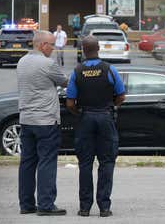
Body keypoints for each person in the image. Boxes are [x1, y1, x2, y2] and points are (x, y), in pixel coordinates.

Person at [66, 36, 125, 218]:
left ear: (83, 49)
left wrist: (80, 113)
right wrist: (111, 106)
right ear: (98, 48)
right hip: (105, 117)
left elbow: (69, 103)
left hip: (86, 118)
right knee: (107, 162)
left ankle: (84, 208)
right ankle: (104, 207)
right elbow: (121, 95)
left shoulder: (77, 71)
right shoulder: (109, 69)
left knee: (85, 164)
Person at [16, 30, 68, 216]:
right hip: (45, 120)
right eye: (51, 44)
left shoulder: (22, 62)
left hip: (26, 119)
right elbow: (65, 82)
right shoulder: (48, 63)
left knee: (27, 162)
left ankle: (26, 204)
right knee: (47, 161)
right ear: (41, 45)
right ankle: (46, 205)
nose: (53, 48)